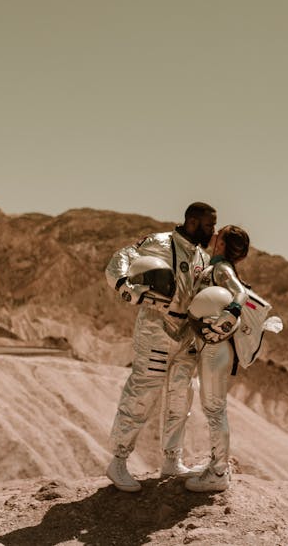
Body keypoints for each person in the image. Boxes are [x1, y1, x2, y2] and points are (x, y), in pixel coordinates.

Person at [103, 202, 216, 492]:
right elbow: (122, 256)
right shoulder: (159, 242)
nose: (212, 230)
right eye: (208, 225)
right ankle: (118, 460)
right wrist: (127, 288)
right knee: (143, 391)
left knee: (181, 396)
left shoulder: (202, 256)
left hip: (187, 331)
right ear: (192, 222)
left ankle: (172, 459)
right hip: (157, 325)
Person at [182, 225, 251, 492]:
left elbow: (240, 293)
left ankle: (219, 471)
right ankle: (217, 463)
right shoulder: (219, 267)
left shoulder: (222, 270)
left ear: (221, 244)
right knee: (214, 408)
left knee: (214, 409)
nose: (212, 238)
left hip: (215, 350)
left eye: (218, 236)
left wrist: (231, 313)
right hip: (211, 349)